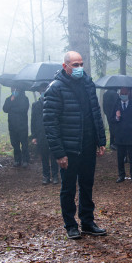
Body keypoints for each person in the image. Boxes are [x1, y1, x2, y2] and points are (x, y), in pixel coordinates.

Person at [43, 51, 107, 239]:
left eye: (81, 64)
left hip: (88, 145)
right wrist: (59, 152)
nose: (79, 68)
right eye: (75, 65)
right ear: (65, 66)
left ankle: (87, 221)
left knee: (87, 184)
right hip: (69, 148)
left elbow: (95, 113)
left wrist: (100, 140)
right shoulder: (55, 88)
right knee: (68, 187)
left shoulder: (88, 84)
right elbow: (50, 123)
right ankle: (70, 225)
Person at [113, 87, 132, 183]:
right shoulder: (116, 104)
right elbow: (111, 120)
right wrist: (117, 117)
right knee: (120, 157)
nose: (123, 94)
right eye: (122, 93)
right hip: (120, 135)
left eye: (125, 93)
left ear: (129, 93)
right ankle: (121, 175)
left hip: (131, 134)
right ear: (119, 93)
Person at [31, 85, 59, 184]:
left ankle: (55, 176)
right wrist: (34, 136)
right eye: (41, 90)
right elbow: (33, 121)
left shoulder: (53, 103)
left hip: (52, 133)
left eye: (45, 90)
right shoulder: (35, 105)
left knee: (54, 155)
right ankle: (46, 176)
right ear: (39, 92)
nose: (43, 92)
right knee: (44, 156)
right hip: (41, 134)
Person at [3, 88, 30, 167]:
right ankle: (17, 160)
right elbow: (5, 109)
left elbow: (23, 109)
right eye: (13, 89)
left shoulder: (25, 99)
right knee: (15, 144)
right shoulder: (8, 99)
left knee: (24, 143)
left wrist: (12, 109)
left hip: (22, 126)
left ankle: (25, 160)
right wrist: (11, 101)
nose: (14, 91)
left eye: (16, 89)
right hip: (12, 125)